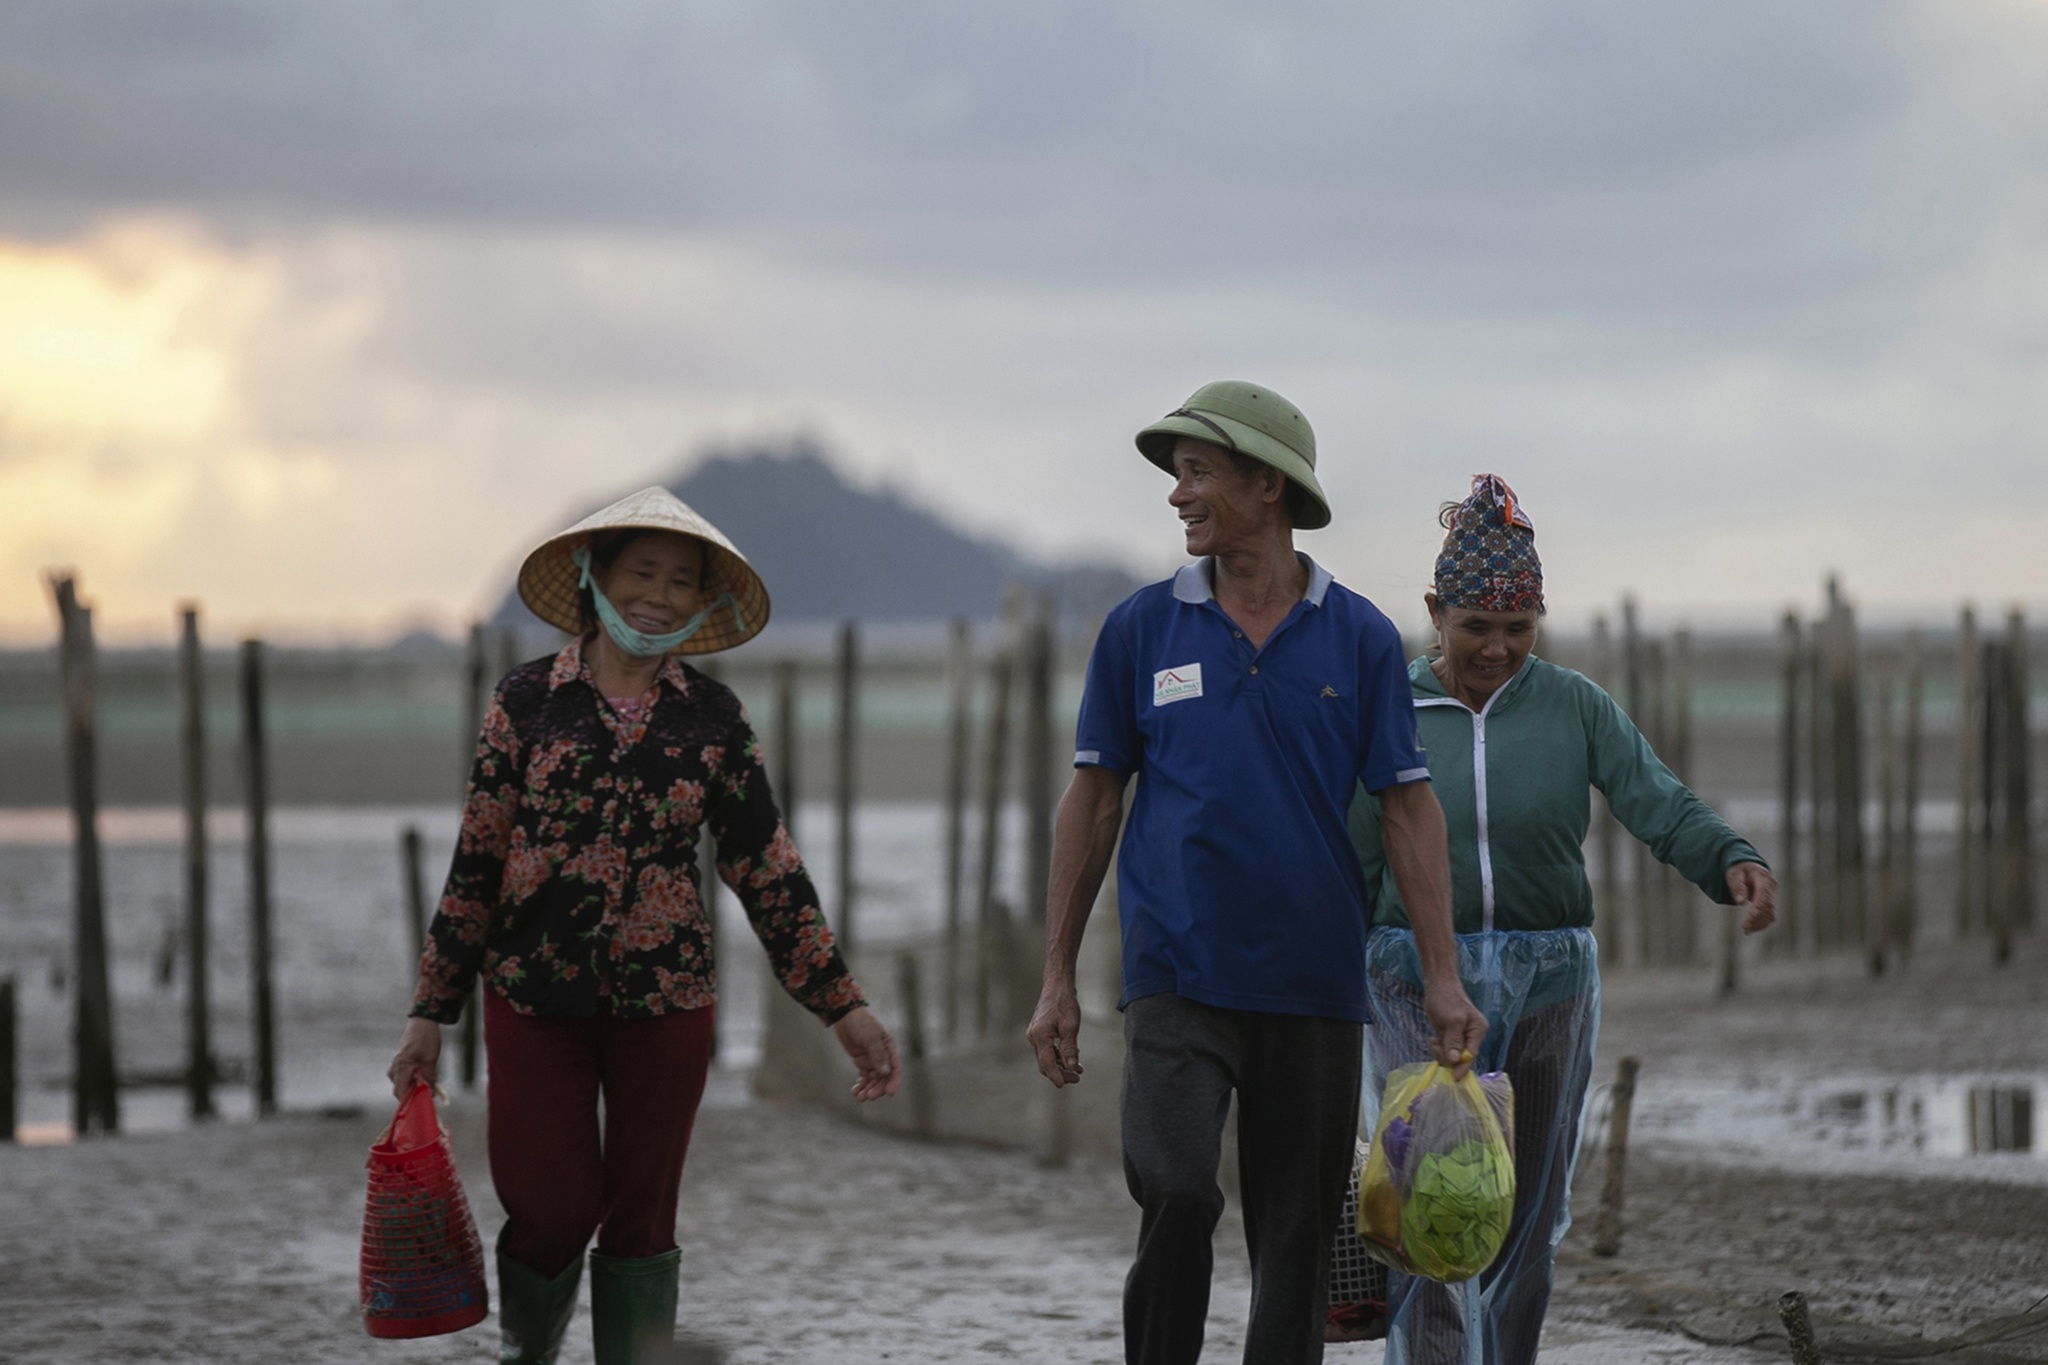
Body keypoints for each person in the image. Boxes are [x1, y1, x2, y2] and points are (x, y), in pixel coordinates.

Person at [1027, 380, 1486, 1365]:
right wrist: (1056, 975)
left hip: (1312, 983)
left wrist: (1442, 980)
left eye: (1196, 472)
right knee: (1178, 1190)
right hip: (1175, 973)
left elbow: (1408, 808)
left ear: (1267, 486)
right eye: (1176, 475)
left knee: (1293, 1240)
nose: (1176, 494)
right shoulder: (1139, 630)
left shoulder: (1359, 637)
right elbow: (1095, 800)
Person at [386, 487, 899, 1365]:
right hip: (533, 996)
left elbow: (765, 867)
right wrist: (430, 1011)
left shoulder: (712, 720)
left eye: (682, 582)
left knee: (642, 1214)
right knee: (549, 1203)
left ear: (704, 604)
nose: (659, 596)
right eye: (642, 573)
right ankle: (529, 1352)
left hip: (666, 999)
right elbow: (477, 859)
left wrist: (840, 1005)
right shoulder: (525, 703)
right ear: (595, 577)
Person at [1348, 475, 1777, 1365]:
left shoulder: (1573, 704)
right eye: (1476, 627)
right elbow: (1353, 846)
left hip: (1551, 982)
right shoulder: (1389, 704)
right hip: (1410, 977)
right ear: (1437, 610)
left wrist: (1729, 857)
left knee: (1524, 1207)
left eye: (1518, 628)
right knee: (1429, 1197)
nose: (1498, 648)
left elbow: (1653, 796)